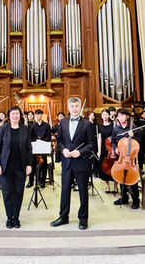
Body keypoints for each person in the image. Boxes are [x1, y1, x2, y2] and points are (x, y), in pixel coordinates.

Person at [50, 97, 95, 230]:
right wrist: (63, 149)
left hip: (81, 162)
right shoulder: (62, 122)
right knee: (64, 191)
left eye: (77, 106)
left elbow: (92, 144)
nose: (74, 108)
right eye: (72, 106)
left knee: (82, 191)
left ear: (80, 107)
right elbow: (59, 141)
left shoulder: (87, 124)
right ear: (68, 108)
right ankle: (63, 216)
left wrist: (80, 152)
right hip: (67, 162)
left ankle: (83, 218)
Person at [0, 106, 33, 229]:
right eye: (12, 114)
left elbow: (29, 148)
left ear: (20, 116)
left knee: (18, 192)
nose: (15, 116)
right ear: (9, 116)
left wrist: (29, 164)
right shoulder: (3, 129)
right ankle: (9, 217)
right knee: (7, 192)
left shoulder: (25, 129)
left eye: (17, 114)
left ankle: (16, 217)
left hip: (20, 166)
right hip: (6, 166)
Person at [112, 108, 141, 209]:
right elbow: (112, 142)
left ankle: (136, 199)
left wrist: (134, 137)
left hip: (131, 157)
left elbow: (139, 143)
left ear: (127, 116)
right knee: (120, 177)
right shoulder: (116, 129)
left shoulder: (133, 128)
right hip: (121, 156)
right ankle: (124, 197)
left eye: (122, 115)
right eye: (119, 116)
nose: (120, 117)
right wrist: (115, 149)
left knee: (133, 179)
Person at [30, 109, 52, 188]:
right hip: (35, 147)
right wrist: (36, 140)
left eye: (38, 114)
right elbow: (31, 136)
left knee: (44, 164)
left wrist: (41, 141)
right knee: (33, 164)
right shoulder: (33, 126)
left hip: (43, 146)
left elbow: (49, 136)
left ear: (41, 115)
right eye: (36, 114)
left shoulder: (46, 125)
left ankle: (42, 181)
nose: (37, 116)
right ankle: (31, 181)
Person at [97, 109, 117, 194]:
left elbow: (116, 137)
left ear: (109, 115)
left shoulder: (113, 125)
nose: (104, 116)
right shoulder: (100, 126)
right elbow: (99, 139)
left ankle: (115, 186)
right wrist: (99, 151)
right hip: (104, 148)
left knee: (115, 166)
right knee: (104, 167)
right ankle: (107, 186)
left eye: (106, 115)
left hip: (113, 147)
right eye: (103, 115)